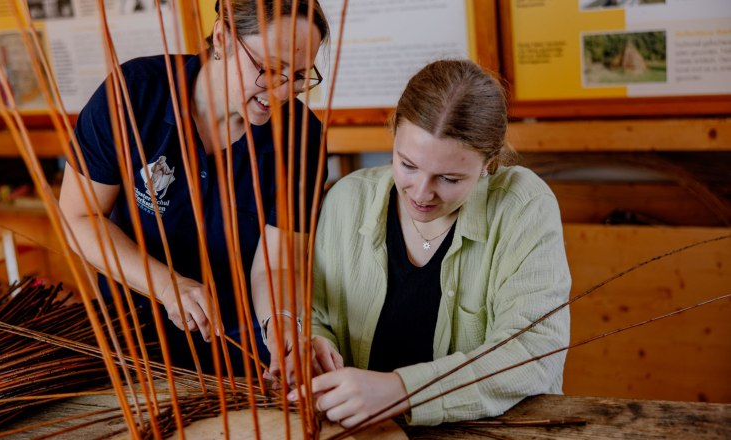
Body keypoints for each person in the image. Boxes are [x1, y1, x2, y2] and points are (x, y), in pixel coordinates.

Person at [59, 0, 330, 375]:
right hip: (133, 335)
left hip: (239, 341)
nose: (282, 92)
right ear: (222, 37)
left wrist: (281, 320)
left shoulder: (301, 137)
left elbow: (278, 263)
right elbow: (80, 217)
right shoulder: (135, 94)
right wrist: (166, 286)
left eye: (299, 76)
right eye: (269, 69)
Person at [302, 59, 571, 427]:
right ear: (394, 134)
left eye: (449, 178)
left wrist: (402, 391)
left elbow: (535, 351)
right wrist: (316, 347)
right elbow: (316, 316)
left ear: (489, 163)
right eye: (407, 165)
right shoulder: (347, 200)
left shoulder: (522, 206)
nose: (421, 193)